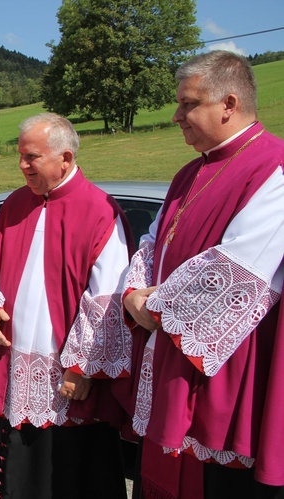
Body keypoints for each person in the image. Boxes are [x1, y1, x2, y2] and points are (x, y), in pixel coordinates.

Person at [122, 50, 284, 498]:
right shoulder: (188, 173)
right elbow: (151, 242)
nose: (176, 116)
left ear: (228, 104)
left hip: (230, 370)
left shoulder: (275, 168)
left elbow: (238, 271)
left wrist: (149, 306)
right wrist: (133, 291)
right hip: (169, 346)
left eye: (188, 104)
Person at [0, 113, 133, 498]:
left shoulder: (99, 210)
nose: (23, 165)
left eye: (32, 157)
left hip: (69, 377)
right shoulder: (15, 203)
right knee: (20, 475)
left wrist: (81, 367)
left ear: (66, 159)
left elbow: (106, 298)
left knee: (71, 475)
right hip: (17, 365)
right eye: (21, 156)